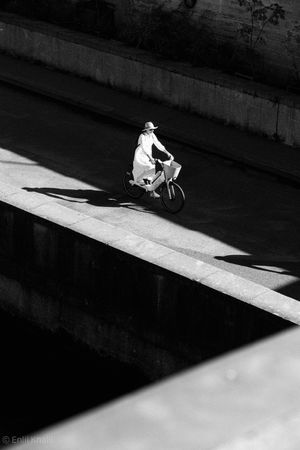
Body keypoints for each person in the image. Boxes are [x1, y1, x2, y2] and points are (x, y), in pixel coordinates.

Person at [132, 122, 173, 198]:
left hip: (148, 155)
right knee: (149, 167)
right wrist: (150, 158)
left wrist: (167, 153)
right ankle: (149, 189)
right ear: (146, 130)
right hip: (141, 156)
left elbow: (158, 144)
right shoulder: (142, 136)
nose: (152, 131)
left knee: (152, 171)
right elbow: (144, 148)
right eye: (150, 130)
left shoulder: (152, 135)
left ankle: (151, 190)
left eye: (153, 129)